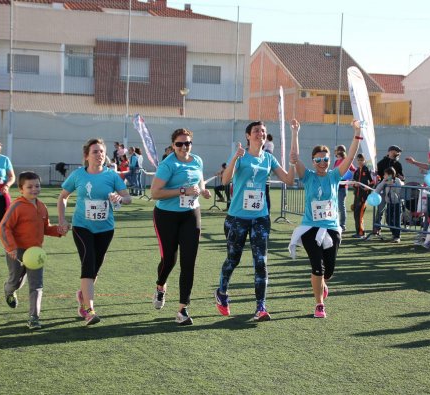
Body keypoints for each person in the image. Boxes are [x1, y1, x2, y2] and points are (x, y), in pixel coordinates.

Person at [214, 120, 296, 322]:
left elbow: (288, 180)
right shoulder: (241, 157)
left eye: (263, 131)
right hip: (237, 218)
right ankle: (222, 292)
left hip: (260, 218)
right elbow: (225, 180)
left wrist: (294, 156)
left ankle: (261, 307)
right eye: (256, 131)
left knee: (261, 263)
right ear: (248, 136)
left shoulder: (269, 158)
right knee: (233, 259)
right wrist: (235, 157)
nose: (261, 133)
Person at [288, 119, 361, 318]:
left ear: (330, 160)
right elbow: (294, 158)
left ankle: (322, 284)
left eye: (325, 159)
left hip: (331, 228)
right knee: (317, 266)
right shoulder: (308, 176)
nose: (322, 163)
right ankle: (319, 304)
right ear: (313, 161)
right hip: (310, 227)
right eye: (318, 160)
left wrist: (357, 134)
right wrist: (295, 132)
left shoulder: (335, 176)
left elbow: (350, 157)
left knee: (328, 270)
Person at [57, 138, 132, 326]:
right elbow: (63, 198)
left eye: (101, 151)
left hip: (106, 228)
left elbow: (127, 197)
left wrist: (120, 199)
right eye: (95, 152)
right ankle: (89, 310)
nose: (99, 155)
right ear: (86, 156)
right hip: (82, 226)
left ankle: (82, 294)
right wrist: (62, 219)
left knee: (95, 267)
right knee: (88, 262)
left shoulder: (112, 176)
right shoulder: (78, 175)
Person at [150, 128, 211, 326]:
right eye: (180, 144)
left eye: (188, 143)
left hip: (190, 214)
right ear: (173, 146)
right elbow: (155, 193)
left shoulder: (197, 160)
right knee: (169, 260)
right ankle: (160, 287)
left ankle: (182, 309)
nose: (184, 147)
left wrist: (203, 191)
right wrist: (182, 190)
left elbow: (199, 183)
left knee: (189, 262)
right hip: (166, 216)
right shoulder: (168, 164)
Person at [0, 171, 67, 330]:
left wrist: (59, 230)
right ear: (21, 189)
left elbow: (45, 228)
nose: (34, 189)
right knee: (16, 280)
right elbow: (3, 227)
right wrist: (11, 247)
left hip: (36, 253)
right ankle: (9, 290)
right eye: (29, 187)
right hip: (17, 251)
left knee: (36, 285)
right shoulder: (17, 206)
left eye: (37, 185)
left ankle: (33, 318)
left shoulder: (42, 206)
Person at [372, 145, 404, 235]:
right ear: (390, 151)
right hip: (383, 191)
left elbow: (402, 177)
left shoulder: (398, 164)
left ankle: (395, 232)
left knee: (393, 214)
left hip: (393, 193)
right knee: (380, 210)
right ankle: (377, 228)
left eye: (399, 152)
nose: (398, 153)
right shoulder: (381, 162)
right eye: (397, 151)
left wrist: (400, 178)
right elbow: (376, 174)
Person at [374, 167, 405, 243]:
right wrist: (383, 182)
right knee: (388, 219)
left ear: (390, 175)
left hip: (397, 203)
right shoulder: (385, 181)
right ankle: (394, 233)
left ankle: (397, 236)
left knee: (396, 220)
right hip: (389, 203)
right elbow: (378, 189)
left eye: (385, 174)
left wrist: (393, 185)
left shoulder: (397, 181)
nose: (384, 176)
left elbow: (399, 191)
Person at [333, 144, 356, 232]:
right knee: (335, 206)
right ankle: (336, 223)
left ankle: (342, 225)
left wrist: (349, 178)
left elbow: (354, 170)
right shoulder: (336, 161)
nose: (335, 152)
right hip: (335, 187)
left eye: (337, 150)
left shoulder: (346, 161)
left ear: (340, 151)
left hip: (342, 188)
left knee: (341, 206)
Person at [351, 153, 373, 238]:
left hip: (364, 196)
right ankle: (358, 231)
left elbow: (373, 181)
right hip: (356, 195)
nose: (360, 162)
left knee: (360, 214)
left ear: (365, 161)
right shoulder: (356, 171)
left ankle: (361, 233)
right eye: (359, 160)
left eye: (362, 160)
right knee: (356, 214)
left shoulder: (367, 170)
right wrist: (354, 184)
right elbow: (354, 181)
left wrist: (369, 187)